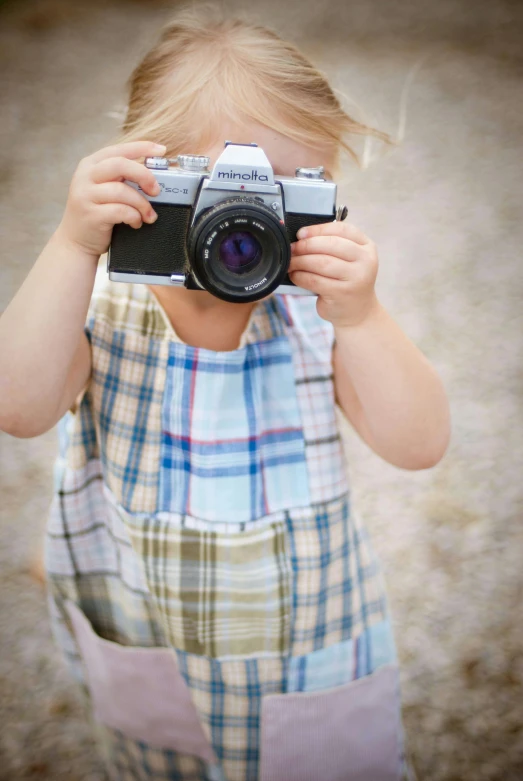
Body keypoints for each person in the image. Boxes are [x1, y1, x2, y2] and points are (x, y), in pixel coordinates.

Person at [0, 7, 450, 781]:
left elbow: (418, 445)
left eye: (278, 200)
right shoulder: (105, 304)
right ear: (145, 185)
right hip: (149, 641)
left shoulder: (312, 313)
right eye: (215, 196)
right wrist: (73, 243)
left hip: (306, 650)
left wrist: (364, 314)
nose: (243, 231)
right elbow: (18, 405)